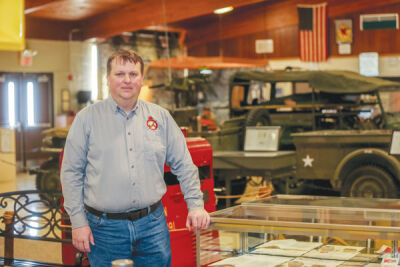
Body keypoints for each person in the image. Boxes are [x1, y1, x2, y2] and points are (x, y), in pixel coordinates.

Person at [60, 49, 210, 267]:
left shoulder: (161, 117)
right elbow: (71, 173)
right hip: (104, 229)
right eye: (120, 74)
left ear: (141, 79)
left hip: (153, 226)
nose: (127, 80)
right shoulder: (86, 119)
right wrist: (78, 222)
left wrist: (195, 205)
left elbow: (185, 165)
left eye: (133, 74)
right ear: (108, 79)